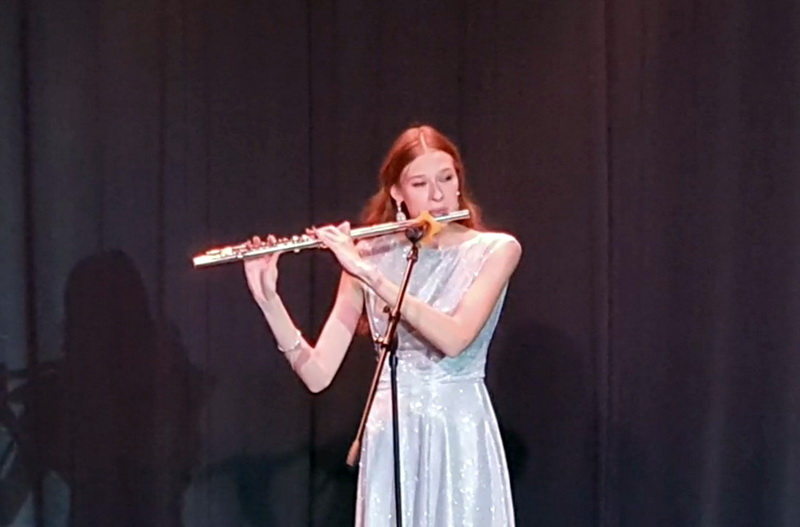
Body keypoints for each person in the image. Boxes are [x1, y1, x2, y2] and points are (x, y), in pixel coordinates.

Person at [244, 124, 521, 526]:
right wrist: (269, 302)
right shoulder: (369, 255)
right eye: (420, 184)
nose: (438, 195)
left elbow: (455, 338)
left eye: (446, 178)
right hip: (391, 434)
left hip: (457, 431)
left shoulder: (497, 250)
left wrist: (369, 275)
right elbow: (318, 375)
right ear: (397, 193)